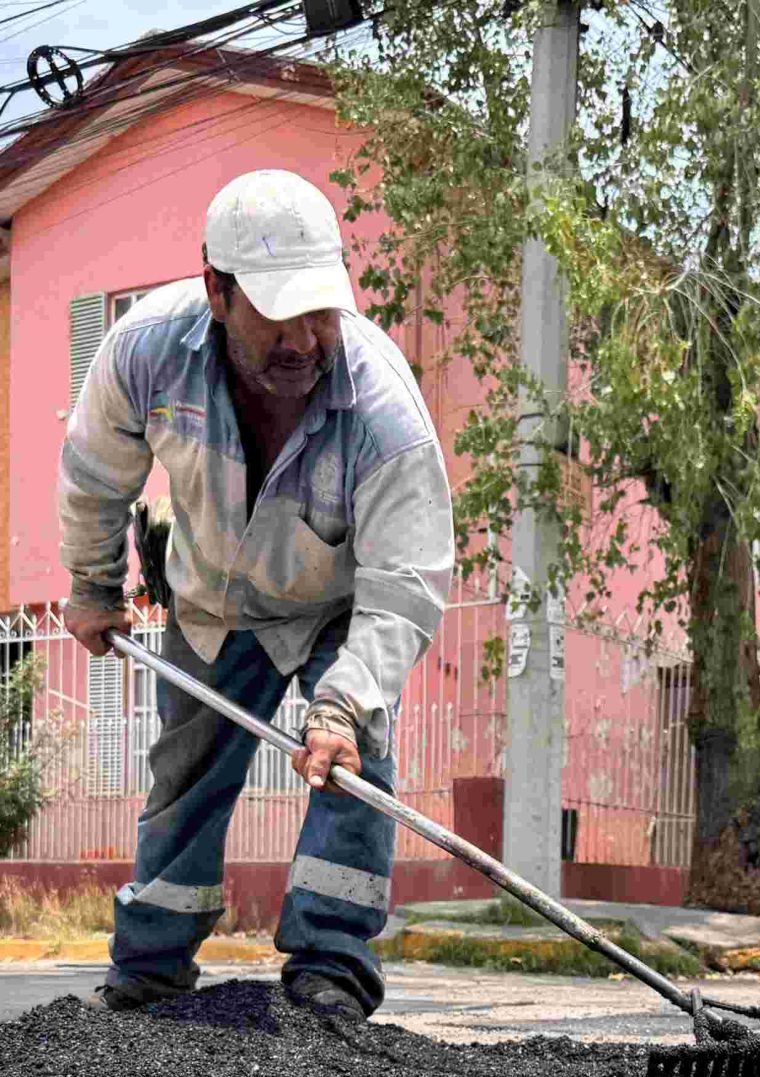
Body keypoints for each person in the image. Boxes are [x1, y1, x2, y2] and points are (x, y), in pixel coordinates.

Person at [59, 168, 453, 1020]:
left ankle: (331, 972)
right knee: (187, 773)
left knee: (353, 768)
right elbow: (96, 476)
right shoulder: (145, 352)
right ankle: (152, 969)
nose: (306, 340)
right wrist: (94, 583)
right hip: (215, 601)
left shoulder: (383, 412)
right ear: (216, 290)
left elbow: (406, 586)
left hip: (340, 606)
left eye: (320, 311)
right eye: (279, 312)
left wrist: (343, 706)